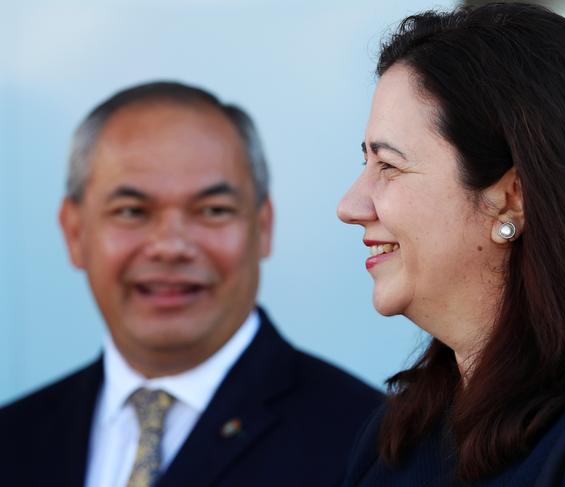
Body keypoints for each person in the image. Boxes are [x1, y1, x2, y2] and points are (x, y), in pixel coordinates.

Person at [0, 81, 382, 487]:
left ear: (263, 227)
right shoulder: (13, 439)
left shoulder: (373, 445)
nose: (170, 247)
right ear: (74, 232)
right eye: (131, 211)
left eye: (213, 210)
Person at [337, 3, 565, 486]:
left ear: (513, 198)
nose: (351, 205)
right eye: (365, 163)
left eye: (389, 166)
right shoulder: (398, 437)